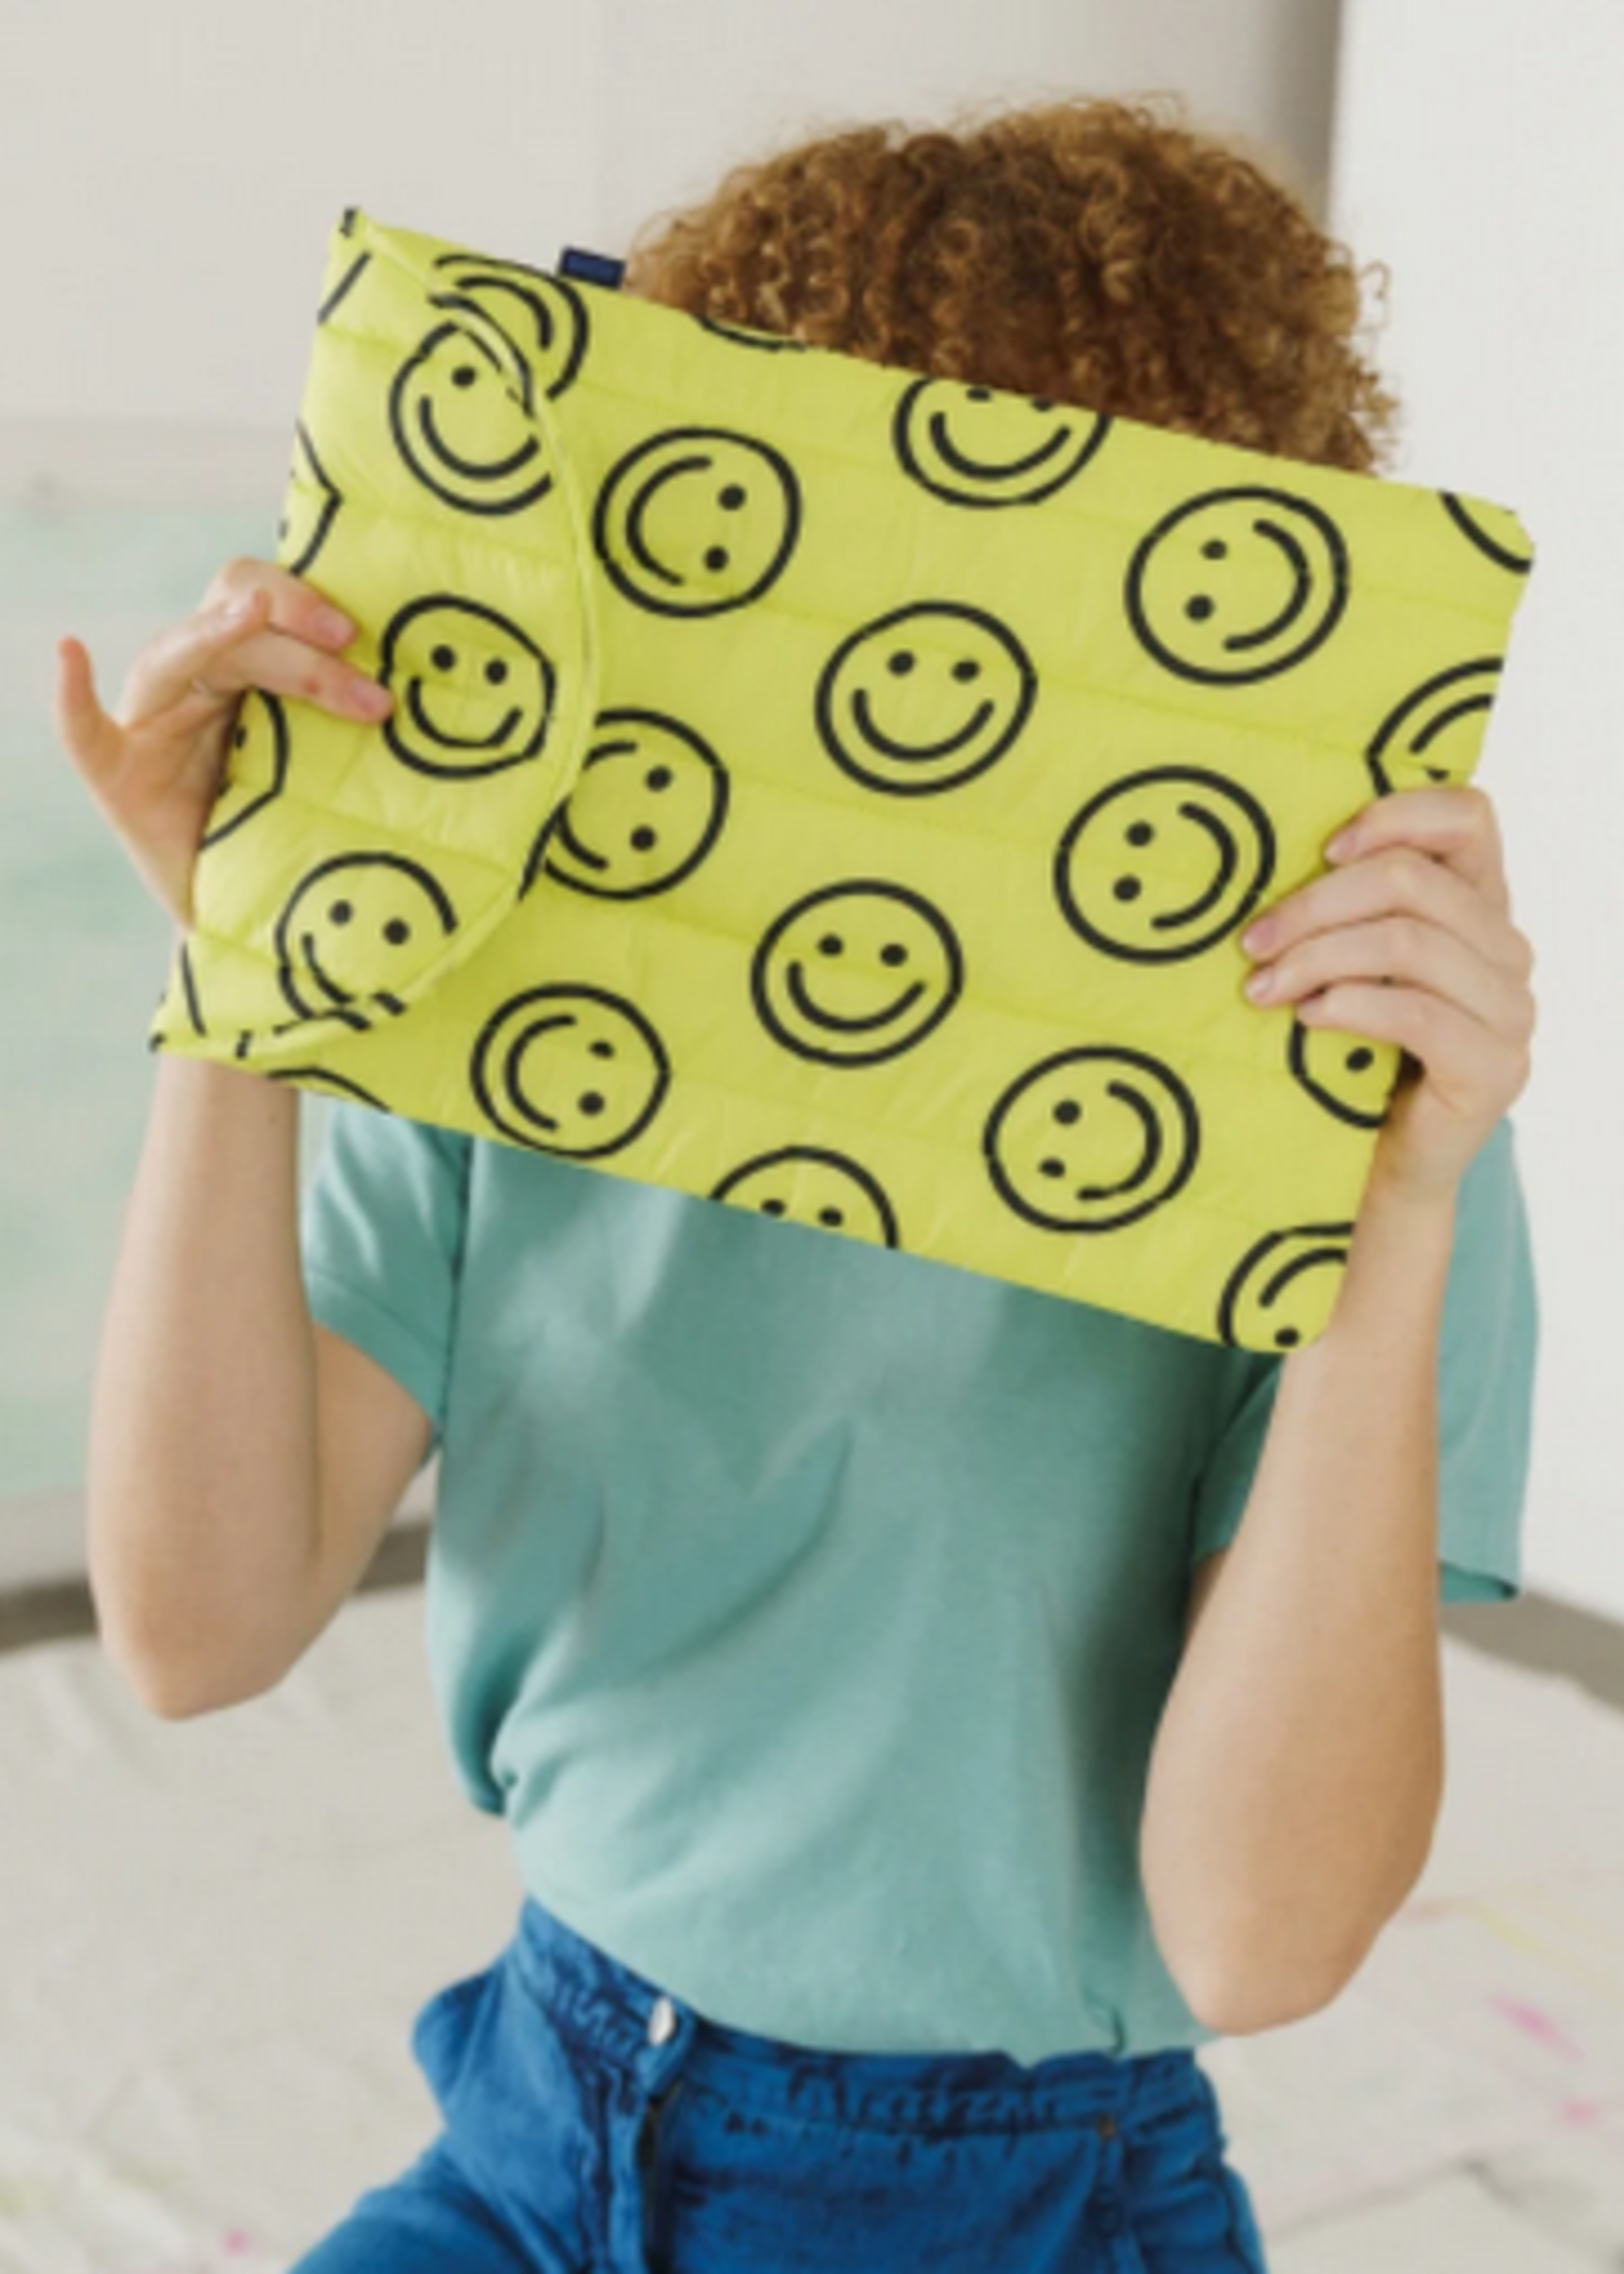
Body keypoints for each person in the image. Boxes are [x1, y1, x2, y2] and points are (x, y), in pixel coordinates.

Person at [54, 91, 1539, 2274]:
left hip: (1030, 2197)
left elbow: (1259, 1937)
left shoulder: (1343, 1134)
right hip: (545, 2109)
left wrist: (1396, 1229)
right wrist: (243, 973)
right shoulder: (523, 1007)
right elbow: (192, 1630)